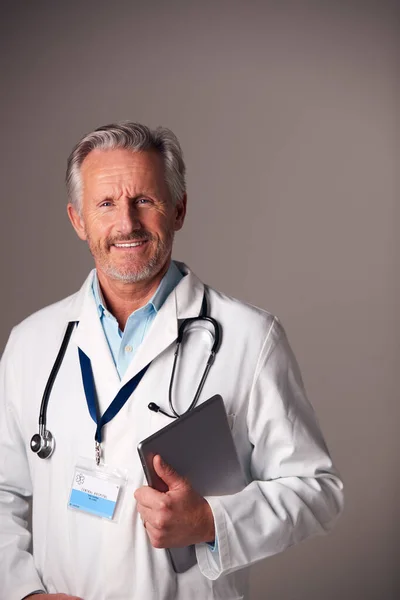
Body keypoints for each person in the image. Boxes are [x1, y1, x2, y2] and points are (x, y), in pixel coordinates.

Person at [0, 122, 343, 600]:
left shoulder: (249, 338)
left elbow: (317, 490)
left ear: (178, 209)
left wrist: (211, 522)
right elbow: (2, 492)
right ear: (78, 220)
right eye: (105, 204)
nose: (127, 223)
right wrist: (23, 594)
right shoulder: (31, 343)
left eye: (145, 200)